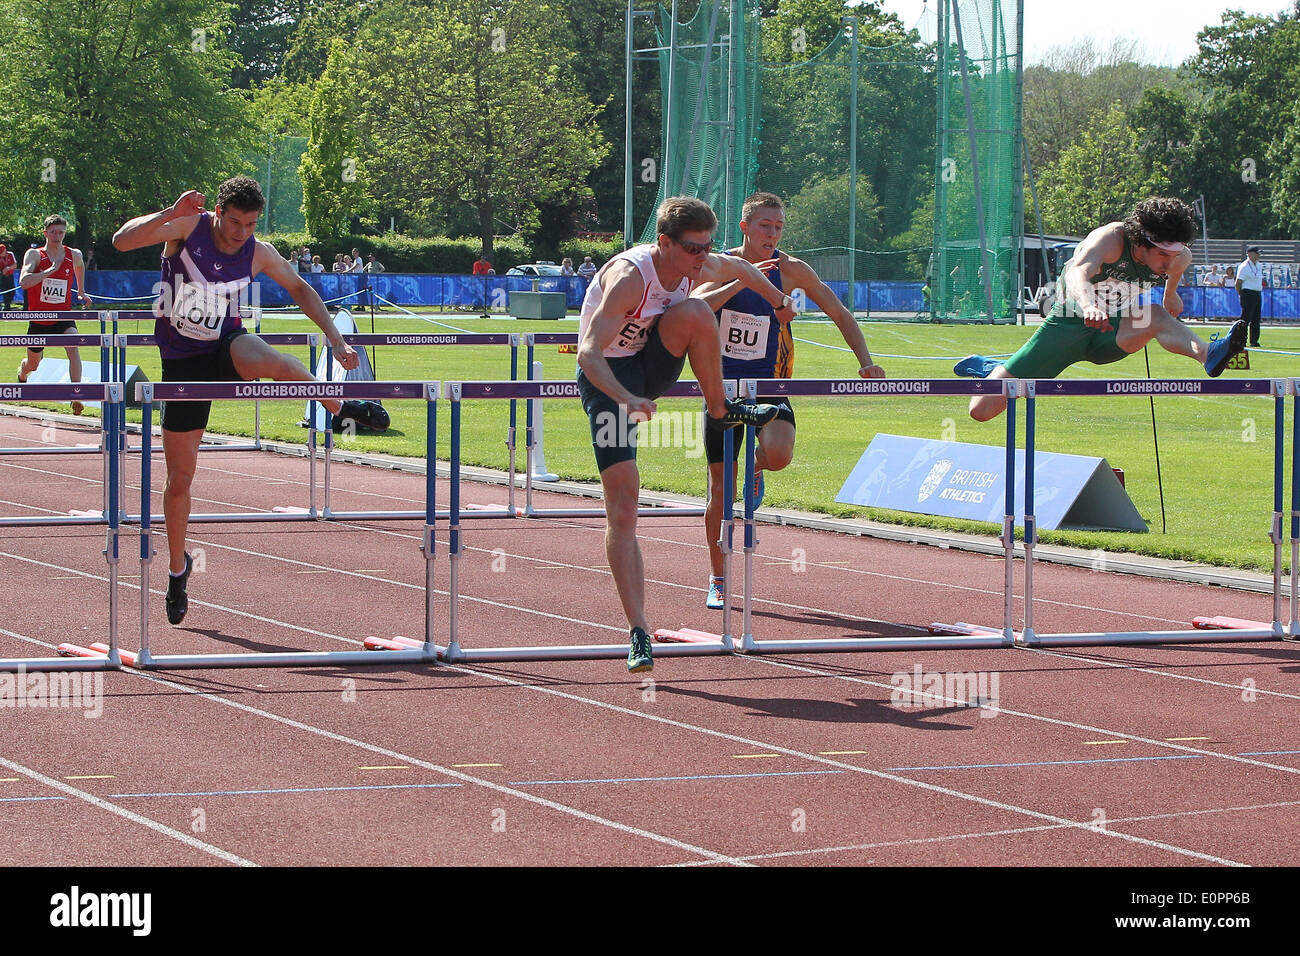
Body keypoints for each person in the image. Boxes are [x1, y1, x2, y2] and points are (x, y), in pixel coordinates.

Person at [111, 176, 385, 626]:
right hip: (182, 363)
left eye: (251, 224)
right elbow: (122, 242)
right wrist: (168, 212)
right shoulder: (187, 227)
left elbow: (300, 289)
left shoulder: (257, 250)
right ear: (217, 212)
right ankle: (178, 569)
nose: (241, 232)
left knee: (280, 361)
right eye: (234, 222)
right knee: (180, 479)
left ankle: (343, 410)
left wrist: (336, 340)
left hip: (227, 344)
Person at [578, 195, 795, 673]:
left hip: (652, 364)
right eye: (694, 250)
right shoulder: (629, 277)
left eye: (707, 248)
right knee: (624, 500)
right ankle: (638, 629)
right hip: (609, 378)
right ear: (664, 243)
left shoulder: (702, 261)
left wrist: (780, 300)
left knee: (696, 311)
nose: (702, 259)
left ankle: (721, 406)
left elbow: (747, 270)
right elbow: (588, 355)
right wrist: (627, 399)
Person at [690, 192, 885, 610]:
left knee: (779, 454)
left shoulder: (792, 269)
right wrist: (744, 278)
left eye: (778, 227)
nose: (772, 234)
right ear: (744, 227)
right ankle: (718, 577)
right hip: (719, 387)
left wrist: (866, 362)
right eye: (765, 226)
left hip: (770, 384)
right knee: (720, 493)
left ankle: (756, 468)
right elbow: (694, 306)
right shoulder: (718, 263)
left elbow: (838, 312)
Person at [962, 197, 1247, 421]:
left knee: (1156, 316)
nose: (1169, 263)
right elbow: (1078, 273)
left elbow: (1175, 270)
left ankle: (1209, 355)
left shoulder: (1180, 257)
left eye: (1174, 255)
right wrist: (1088, 306)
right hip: (1068, 326)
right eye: (1162, 255)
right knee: (982, 411)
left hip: (1113, 331)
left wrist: (1170, 295)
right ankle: (993, 370)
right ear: (1140, 242)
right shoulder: (1111, 239)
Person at [17, 215, 91, 415]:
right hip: (39, 318)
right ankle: (22, 372)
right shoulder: (35, 255)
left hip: (62, 314)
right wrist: (48, 271)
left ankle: (77, 395)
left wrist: (81, 291)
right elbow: (24, 282)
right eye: (53, 232)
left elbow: (80, 265)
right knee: (33, 364)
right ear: (45, 233)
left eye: (61, 232)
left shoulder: (73, 254)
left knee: (73, 345)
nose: (57, 236)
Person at [1235, 245, 1265, 348]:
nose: (1258, 255)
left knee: (1256, 319)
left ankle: (1254, 341)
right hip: (1247, 293)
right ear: (1250, 254)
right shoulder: (1244, 266)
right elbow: (1238, 283)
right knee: (1245, 319)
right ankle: (1240, 340)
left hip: (1257, 293)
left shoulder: (1259, 265)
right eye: (1257, 253)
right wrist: (1242, 294)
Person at [0, 243, 16, 309]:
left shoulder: (10, 254)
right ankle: (7, 307)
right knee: (5, 292)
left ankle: (8, 304)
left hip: (10, 275)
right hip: (2, 276)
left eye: (2, 252)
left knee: (12, 291)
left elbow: (15, 265)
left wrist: (8, 268)